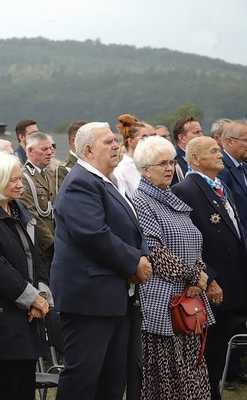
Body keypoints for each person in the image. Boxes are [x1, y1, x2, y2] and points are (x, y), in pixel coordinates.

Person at [50, 122, 152, 400]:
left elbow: (131, 228)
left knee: (111, 379)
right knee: (84, 378)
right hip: (89, 300)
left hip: (113, 297)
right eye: (108, 142)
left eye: (115, 140)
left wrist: (142, 255)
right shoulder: (80, 182)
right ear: (87, 150)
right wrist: (134, 262)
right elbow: (93, 234)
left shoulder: (106, 181)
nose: (116, 145)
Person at [130, 135, 214, 399]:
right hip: (163, 303)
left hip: (189, 298)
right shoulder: (142, 200)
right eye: (162, 163)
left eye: (172, 162)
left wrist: (198, 278)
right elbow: (156, 254)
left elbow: (195, 242)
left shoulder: (172, 198)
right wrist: (196, 276)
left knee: (192, 370)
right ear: (145, 169)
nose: (169, 168)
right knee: (168, 377)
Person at [172, 136, 247, 399]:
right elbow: (186, 240)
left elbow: (233, 230)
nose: (220, 154)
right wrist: (210, 279)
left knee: (220, 352)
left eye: (219, 150)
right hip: (212, 284)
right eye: (213, 151)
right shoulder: (186, 189)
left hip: (234, 279)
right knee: (211, 353)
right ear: (195, 159)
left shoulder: (219, 186)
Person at [0, 152, 51, 400]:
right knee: (4, 387)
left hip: (28, 316)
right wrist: (32, 299)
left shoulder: (19, 208)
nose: (20, 184)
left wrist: (41, 296)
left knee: (24, 387)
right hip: (4, 317)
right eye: (13, 180)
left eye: (19, 178)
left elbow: (37, 255)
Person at [20, 132, 57, 267]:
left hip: (58, 241)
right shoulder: (24, 178)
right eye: (44, 149)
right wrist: (52, 243)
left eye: (50, 148)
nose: (49, 153)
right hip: (43, 246)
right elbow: (31, 214)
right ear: (30, 151)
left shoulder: (50, 173)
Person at [217, 121, 247, 246]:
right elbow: (228, 212)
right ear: (230, 141)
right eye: (246, 140)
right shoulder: (220, 169)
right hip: (241, 245)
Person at [114, 114, 155, 197]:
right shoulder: (121, 172)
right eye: (144, 138)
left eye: (149, 137)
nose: (148, 141)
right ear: (131, 142)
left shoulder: (151, 164)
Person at [55, 120, 87, 193]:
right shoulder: (63, 169)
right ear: (73, 140)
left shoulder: (93, 164)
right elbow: (60, 200)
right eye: (86, 138)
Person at [171, 116, 204, 185]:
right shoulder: (173, 162)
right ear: (182, 138)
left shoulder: (204, 157)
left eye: (201, 131)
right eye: (196, 132)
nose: (202, 136)